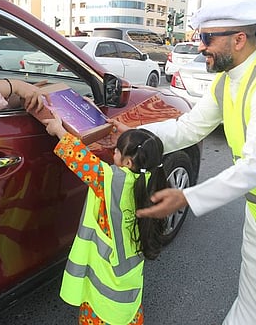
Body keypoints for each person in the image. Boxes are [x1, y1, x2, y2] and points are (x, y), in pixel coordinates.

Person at [112, 0, 256, 325]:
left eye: (208, 39)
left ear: (239, 39)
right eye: (199, 37)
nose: (200, 47)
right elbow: (190, 127)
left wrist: (187, 197)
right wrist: (137, 132)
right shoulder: (228, 81)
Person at [43, 113, 167, 325]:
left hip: (103, 295)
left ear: (127, 162)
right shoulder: (151, 179)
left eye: (117, 151)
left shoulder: (111, 181)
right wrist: (129, 135)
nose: (113, 152)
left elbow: (80, 158)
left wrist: (58, 129)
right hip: (129, 288)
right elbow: (144, 151)